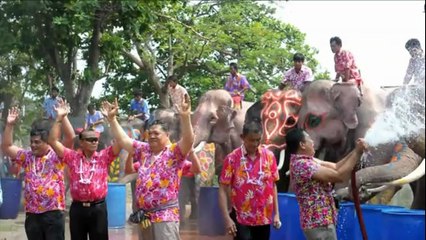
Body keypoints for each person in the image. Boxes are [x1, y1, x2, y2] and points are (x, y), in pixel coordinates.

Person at [103, 95, 194, 240]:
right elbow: (123, 140)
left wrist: (185, 116)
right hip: (144, 216)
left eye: (156, 133)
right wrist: (112, 120)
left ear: (167, 135)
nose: (152, 136)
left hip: (165, 215)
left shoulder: (174, 152)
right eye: (150, 133)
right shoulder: (144, 150)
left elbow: (189, 140)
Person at [48, 103, 121, 240]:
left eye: (96, 140)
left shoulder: (104, 157)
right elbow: (52, 141)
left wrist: (112, 120)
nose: (94, 142)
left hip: (98, 208)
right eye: (90, 140)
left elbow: (121, 142)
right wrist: (59, 118)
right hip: (77, 209)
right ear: (81, 143)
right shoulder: (72, 157)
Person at [1, 106, 75, 240]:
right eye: (31, 142)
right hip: (32, 215)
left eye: (37, 142)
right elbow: (7, 147)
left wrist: (62, 118)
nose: (33, 145)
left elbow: (70, 137)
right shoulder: (27, 157)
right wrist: (9, 125)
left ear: (48, 143)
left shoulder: (56, 155)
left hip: (53, 213)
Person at [285, 128, 367, 240]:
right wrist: (357, 152)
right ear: (302, 145)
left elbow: (336, 167)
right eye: (309, 139)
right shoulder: (302, 165)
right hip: (318, 225)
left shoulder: (309, 161)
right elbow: (338, 176)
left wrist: (355, 150)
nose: (312, 142)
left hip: (322, 223)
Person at [218, 120, 281, 240]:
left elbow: (273, 185)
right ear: (242, 137)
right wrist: (227, 218)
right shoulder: (232, 158)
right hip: (240, 217)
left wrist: (277, 214)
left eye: (258, 140)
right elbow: (222, 188)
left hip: (264, 217)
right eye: (252, 140)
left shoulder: (269, 157)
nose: (255, 143)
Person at [178, 151, 201, 228]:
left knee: (186, 197)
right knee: (183, 197)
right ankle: (182, 219)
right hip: (184, 176)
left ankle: (190, 217)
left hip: (189, 175)